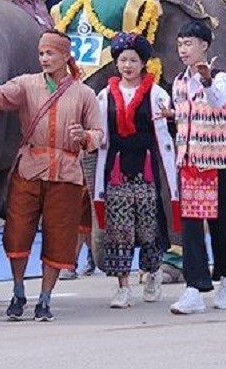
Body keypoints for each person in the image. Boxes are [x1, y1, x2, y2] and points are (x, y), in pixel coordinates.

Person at [0, 31, 103, 322]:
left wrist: (84, 136)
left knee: (59, 237)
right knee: (17, 233)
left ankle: (46, 298)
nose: (45, 59)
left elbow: (99, 134)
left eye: (50, 53)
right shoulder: (25, 84)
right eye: (41, 54)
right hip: (29, 169)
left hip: (66, 173)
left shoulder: (84, 93)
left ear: (66, 56)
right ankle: (18, 291)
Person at [94, 33, 179, 308]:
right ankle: (122, 287)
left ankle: (152, 274)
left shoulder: (157, 94)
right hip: (116, 169)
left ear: (143, 63)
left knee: (148, 227)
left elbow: (170, 129)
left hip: (146, 168)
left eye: (133, 60)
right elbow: (98, 131)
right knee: (119, 229)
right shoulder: (105, 96)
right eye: (123, 60)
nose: (127, 65)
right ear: (116, 64)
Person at [163, 20, 226, 315]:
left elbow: (218, 101)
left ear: (204, 46)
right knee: (192, 226)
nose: (183, 49)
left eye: (189, 44)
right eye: (180, 44)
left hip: (216, 161)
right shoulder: (178, 82)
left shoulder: (220, 77)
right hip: (189, 161)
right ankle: (194, 288)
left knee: (221, 224)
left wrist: (205, 80)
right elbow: (184, 117)